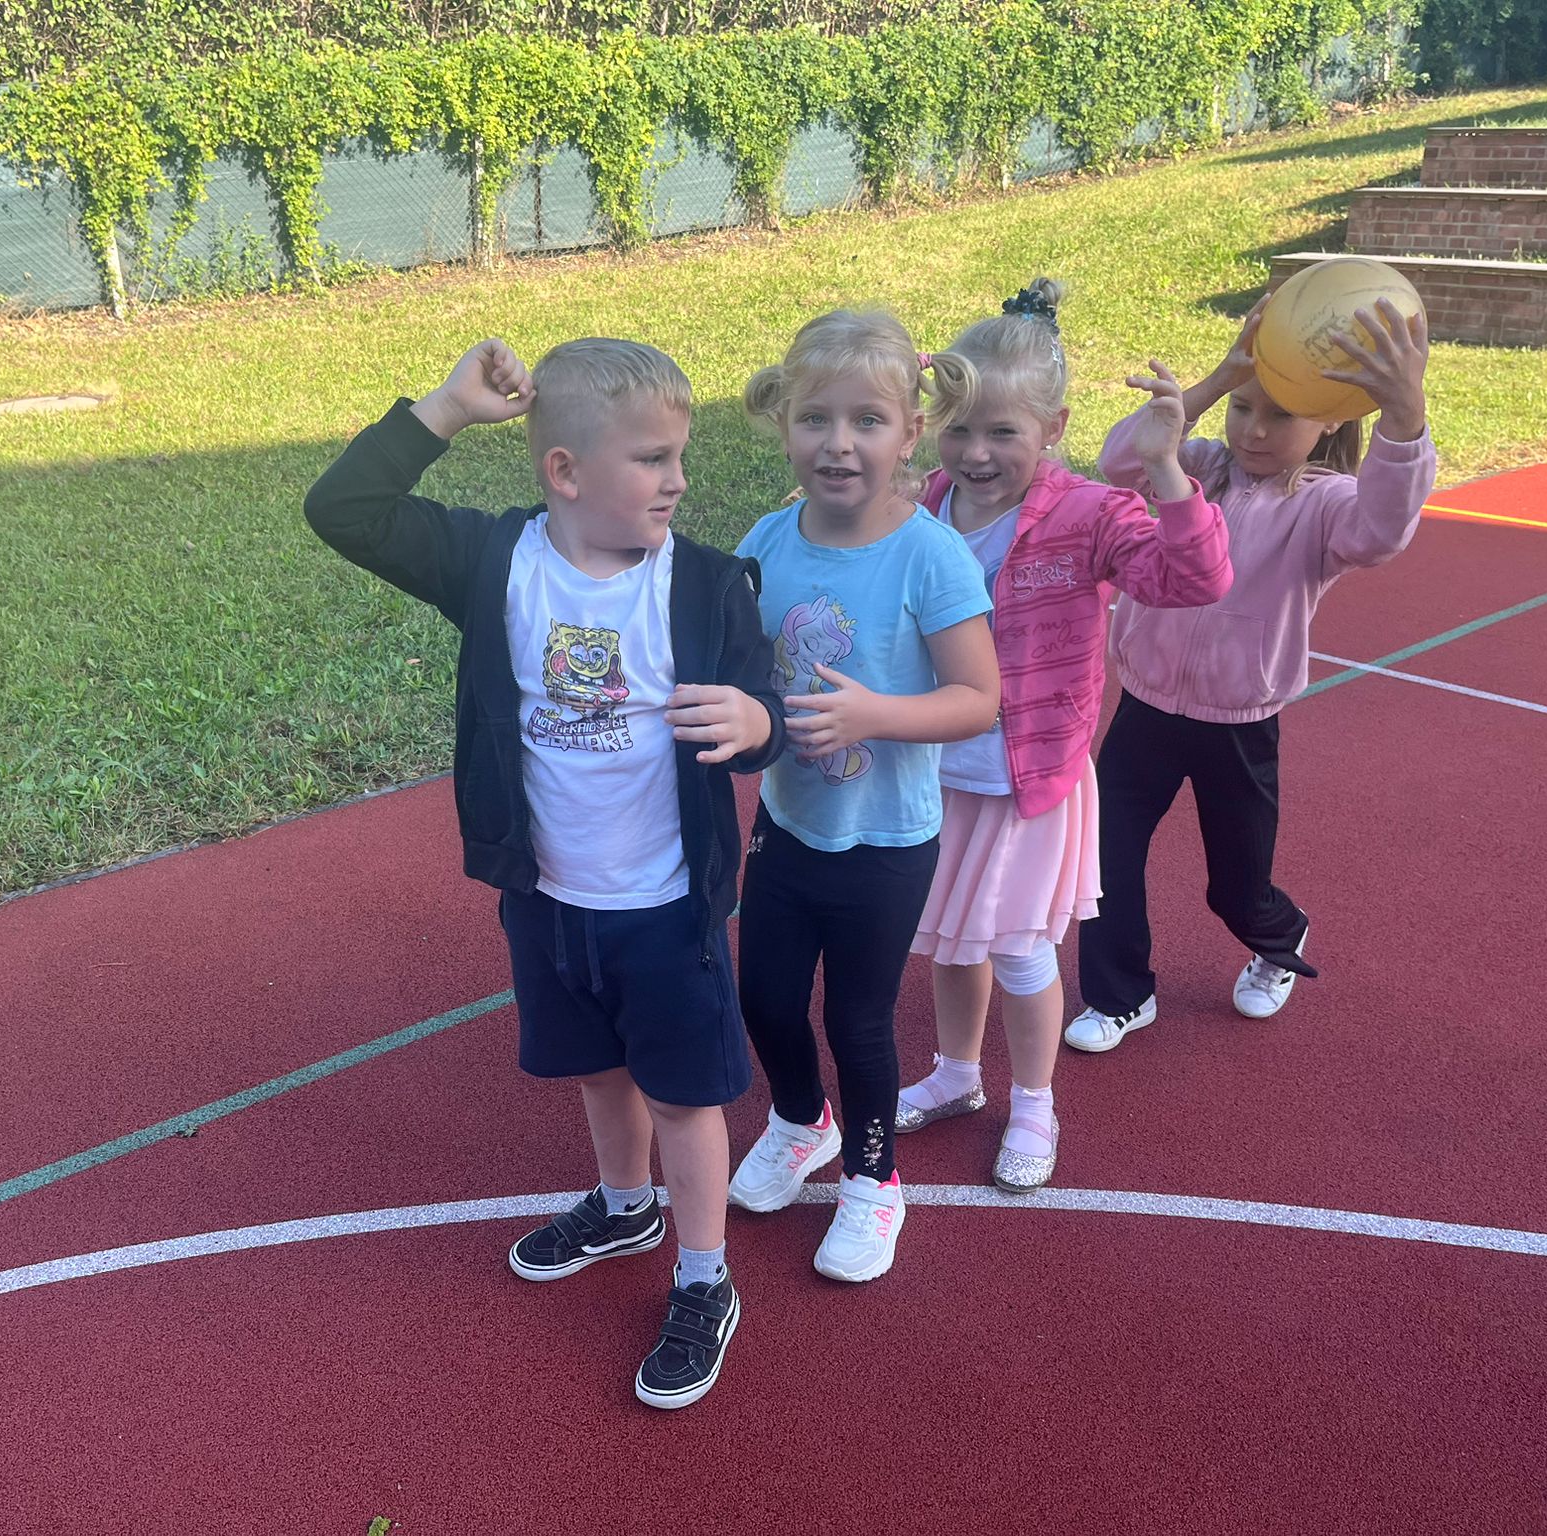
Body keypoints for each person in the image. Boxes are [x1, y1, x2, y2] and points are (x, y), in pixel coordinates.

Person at [303, 336, 785, 1409]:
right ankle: (625, 1207)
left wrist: (757, 722)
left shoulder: (707, 584)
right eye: (651, 459)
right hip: (548, 898)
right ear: (563, 470)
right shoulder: (495, 562)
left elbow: (766, 712)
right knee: (598, 1071)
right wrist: (442, 409)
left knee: (682, 1099)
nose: (678, 479)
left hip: (665, 908)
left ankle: (703, 1276)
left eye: (679, 456)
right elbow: (345, 511)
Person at [897, 278, 1232, 1191]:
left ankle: (1035, 1104)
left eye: (1003, 432)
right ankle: (957, 1073)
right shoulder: (925, 502)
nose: (976, 453)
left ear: (1054, 428)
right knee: (949, 938)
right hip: (937, 766)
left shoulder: (1088, 513)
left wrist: (1166, 468)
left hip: (1027, 778)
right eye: (959, 428)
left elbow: (1195, 579)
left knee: (1016, 947)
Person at [1068, 294, 1436, 1052]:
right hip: (1146, 707)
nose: (1254, 431)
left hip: (1239, 724)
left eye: (1280, 415)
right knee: (1104, 860)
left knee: (1235, 888)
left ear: (1328, 420)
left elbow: (1383, 531)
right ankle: (1121, 996)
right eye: (1243, 408)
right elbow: (1119, 464)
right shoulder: (1198, 465)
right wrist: (1215, 381)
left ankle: (1279, 934)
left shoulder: (1327, 504)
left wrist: (1404, 414)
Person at [724, 308, 1000, 1282]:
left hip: (886, 841)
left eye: (867, 421)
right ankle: (803, 1121)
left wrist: (875, 714)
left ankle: (874, 1182)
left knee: (857, 1020)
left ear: (910, 433)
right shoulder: (767, 538)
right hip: (790, 822)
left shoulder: (930, 555)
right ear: (784, 426)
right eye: (816, 419)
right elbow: (743, 665)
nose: (838, 443)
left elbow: (978, 698)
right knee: (763, 996)